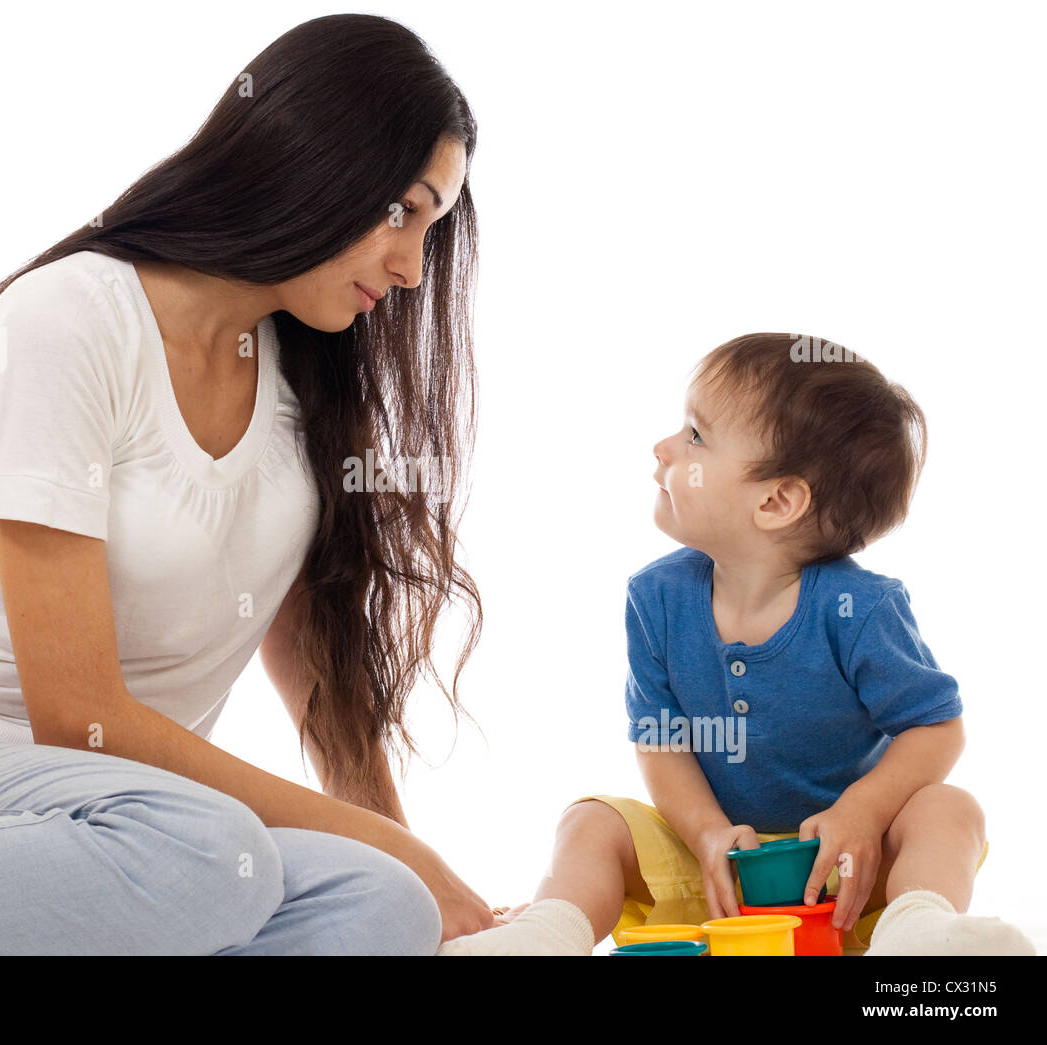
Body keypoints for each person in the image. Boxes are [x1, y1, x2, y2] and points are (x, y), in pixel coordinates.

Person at [0, 13, 497, 956]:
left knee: (379, 904)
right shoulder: (72, 322)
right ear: (316, 156)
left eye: (433, 227)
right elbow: (79, 714)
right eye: (406, 211)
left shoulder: (306, 377)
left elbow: (313, 665)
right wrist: (385, 841)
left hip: (110, 835)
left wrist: (414, 867)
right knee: (203, 847)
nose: (413, 266)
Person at [438, 332, 1036, 956]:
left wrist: (862, 814)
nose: (664, 446)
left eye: (695, 436)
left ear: (776, 500)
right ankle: (542, 936)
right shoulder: (657, 597)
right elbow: (660, 740)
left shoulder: (860, 608)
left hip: (843, 875)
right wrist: (705, 834)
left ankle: (918, 933)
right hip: (716, 868)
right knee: (590, 821)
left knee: (949, 809)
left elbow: (937, 729)